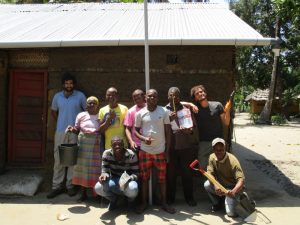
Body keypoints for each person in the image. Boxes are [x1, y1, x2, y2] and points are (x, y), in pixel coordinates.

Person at [135, 89, 175, 214]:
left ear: (158, 98)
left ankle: (164, 203)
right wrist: (143, 138)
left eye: (155, 96)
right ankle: (144, 203)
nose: (152, 98)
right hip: (145, 151)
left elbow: (168, 132)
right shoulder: (140, 113)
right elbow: (135, 131)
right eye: (150, 96)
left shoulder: (164, 111)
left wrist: (167, 152)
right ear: (145, 97)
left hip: (160, 151)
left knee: (162, 179)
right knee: (144, 179)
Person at [47, 73, 87, 199]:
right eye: (66, 83)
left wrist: (79, 127)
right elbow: (53, 111)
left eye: (71, 83)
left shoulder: (80, 96)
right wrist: (61, 120)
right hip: (60, 131)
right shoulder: (57, 96)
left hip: (75, 132)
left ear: (73, 84)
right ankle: (56, 186)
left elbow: (86, 111)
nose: (68, 85)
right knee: (58, 158)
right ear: (63, 84)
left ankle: (70, 186)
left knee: (72, 159)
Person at [67, 96, 102, 202]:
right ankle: (83, 194)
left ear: (97, 105)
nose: (91, 105)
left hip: (95, 145)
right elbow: (76, 129)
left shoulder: (100, 115)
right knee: (83, 170)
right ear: (86, 105)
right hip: (83, 145)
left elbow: (103, 129)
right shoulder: (81, 115)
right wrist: (71, 129)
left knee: (95, 169)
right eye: (89, 103)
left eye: (93, 103)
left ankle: (97, 194)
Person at [165, 87, 197, 207]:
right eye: (172, 96)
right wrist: (169, 119)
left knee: (187, 174)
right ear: (168, 97)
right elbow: (161, 128)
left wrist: (189, 131)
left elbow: (192, 127)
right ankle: (170, 198)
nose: (174, 98)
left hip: (185, 147)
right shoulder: (164, 111)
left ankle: (189, 198)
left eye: (177, 96)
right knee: (171, 175)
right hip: (171, 148)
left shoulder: (186, 109)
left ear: (180, 97)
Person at [190, 84, 231, 170]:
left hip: (218, 142)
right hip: (204, 143)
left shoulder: (217, 105)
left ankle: (218, 184)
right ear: (195, 98)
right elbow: (180, 103)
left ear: (205, 93)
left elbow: (226, 122)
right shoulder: (195, 109)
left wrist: (228, 110)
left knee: (220, 168)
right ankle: (207, 183)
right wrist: (191, 104)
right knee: (203, 167)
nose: (200, 93)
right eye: (197, 93)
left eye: (201, 91)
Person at [94, 136, 139, 211]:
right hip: (114, 180)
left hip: (128, 181)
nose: (117, 146)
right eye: (114, 144)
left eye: (120, 144)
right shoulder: (106, 154)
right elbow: (104, 171)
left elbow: (136, 174)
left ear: (124, 145)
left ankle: (130, 201)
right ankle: (113, 200)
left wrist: (129, 179)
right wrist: (104, 176)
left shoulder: (131, 155)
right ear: (111, 146)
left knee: (133, 188)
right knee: (98, 187)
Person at [204, 137, 245, 217]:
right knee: (207, 185)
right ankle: (217, 203)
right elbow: (210, 173)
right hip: (221, 185)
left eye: (221, 150)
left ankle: (241, 197)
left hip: (232, 188)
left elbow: (241, 180)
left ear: (225, 149)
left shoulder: (233, 160)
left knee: (231, 214)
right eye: (217, 150)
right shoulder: (212, 157)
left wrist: (233, 191)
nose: (219, 152)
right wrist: (216, 185)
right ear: (213, 149)